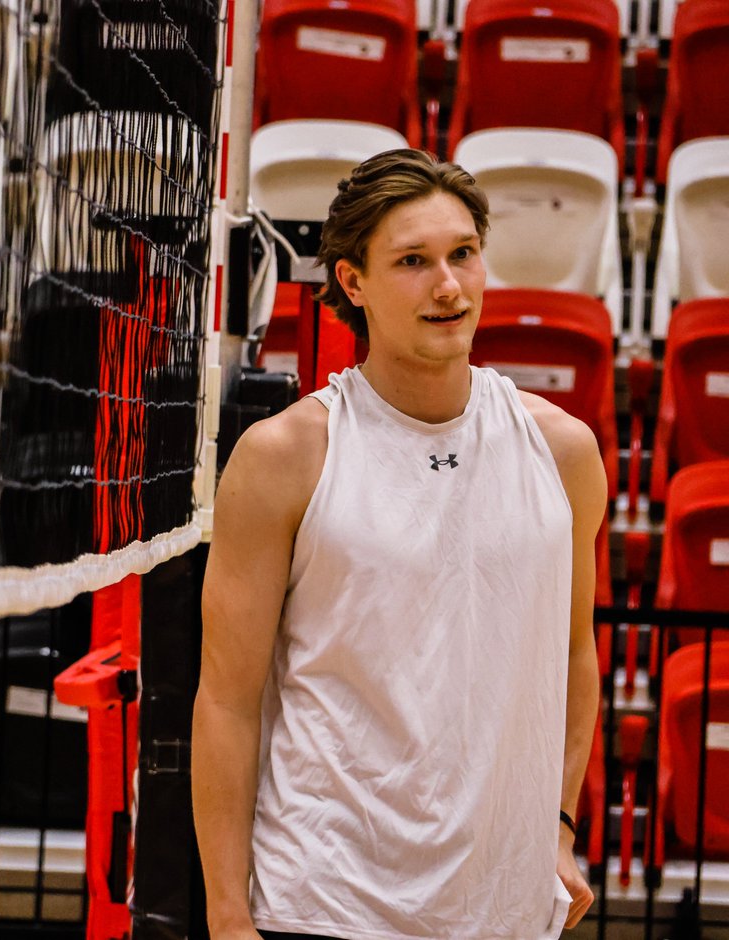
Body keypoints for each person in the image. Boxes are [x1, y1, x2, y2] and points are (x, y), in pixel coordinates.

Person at [192, 149, 604, 940]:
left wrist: (559, 825)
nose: (448, 286)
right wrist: (226, 915)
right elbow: (227, 701)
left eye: (463, 254)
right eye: (413, 261)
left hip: (501, 909)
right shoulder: (285, 457)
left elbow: (574, 654)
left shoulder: (563, 452)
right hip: (323, 902)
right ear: (353, 283)